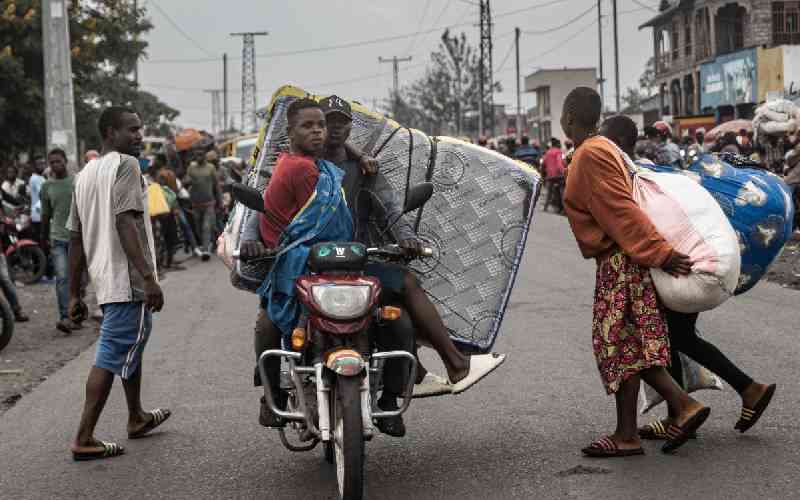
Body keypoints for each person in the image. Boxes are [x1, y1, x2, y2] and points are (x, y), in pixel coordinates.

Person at [242, 98, 505, 432]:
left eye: (337, 123)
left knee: (399, 315)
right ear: (297, 131)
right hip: (305, 261)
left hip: (359, 258)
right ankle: (271, 394)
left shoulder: (365, 168)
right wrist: (253, 240)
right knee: (268, 319)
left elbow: (392, 207)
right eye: (324, 123)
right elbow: (265, 205)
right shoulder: (302, 161)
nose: (329, 130)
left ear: (350, 127)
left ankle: (394, 398)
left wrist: (406, 237)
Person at [601, 114, 777, 438]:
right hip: (699, 259)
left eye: (603, 138)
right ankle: (689, 411)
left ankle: (726, 396)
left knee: (668, 339)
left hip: (683, 265)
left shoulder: (633, 176)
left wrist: (663, 257)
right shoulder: (651, 168)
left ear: (614, 142)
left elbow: (641, 228)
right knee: (677, 338)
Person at [561, 89, 710, 457]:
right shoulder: (604, 149)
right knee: (631, 344)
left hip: (621, 262)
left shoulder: (590, 154)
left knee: (617, 344)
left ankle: (677, 408)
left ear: (568, 118)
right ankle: (630, 431)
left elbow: (621, 211)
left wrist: (659, 253)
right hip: (628, 259)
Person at [67, 106, 170, 461]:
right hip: (126, 281)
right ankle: (85, 437)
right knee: (112, 353)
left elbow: (75, 238)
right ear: (110, 133)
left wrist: (73, 293)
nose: (139, 136)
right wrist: (148, 277)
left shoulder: (85, 174)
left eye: (141, 129)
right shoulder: (126, 165)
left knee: (129, 344)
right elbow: (125, 220)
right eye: (132, 129)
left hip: (105, 280)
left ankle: (136, 415)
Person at [41, 148, 82, 333]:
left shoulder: (77, 181)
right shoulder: (47, 187)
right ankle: (65, 317)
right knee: (62, 277)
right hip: (57, 238)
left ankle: (77, 315)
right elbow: (45, 214)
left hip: (78, 239)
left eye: (58, 161)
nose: (55, 165)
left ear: (66, 160)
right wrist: (43, 238)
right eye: (52, 162)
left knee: (78, 279)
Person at [185, 149, 222, 260]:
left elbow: (216, 186)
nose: (199, 157)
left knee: (206, 227)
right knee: (198, 228)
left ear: (204, 156)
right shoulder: (191, 168)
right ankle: (208, 243)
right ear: (195, 156)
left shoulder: (211, 168)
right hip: (196, 204)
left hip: (209, 203)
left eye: (201, 154)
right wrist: (187, 182)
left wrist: (220, 201)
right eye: (197, 155)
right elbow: (186, 182)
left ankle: (206, 250)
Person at [541, 138, 566, 213]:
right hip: (558, 175)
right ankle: (565, 208)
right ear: (557, 144)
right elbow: (559, 163)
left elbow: (543, 163)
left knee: (549, 192)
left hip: (550, 176)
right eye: (560, 144)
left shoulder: (548, 152)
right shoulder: (559, 152)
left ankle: (545, 207)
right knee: (562, 192)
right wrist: (563, 172)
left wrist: (543, 172)